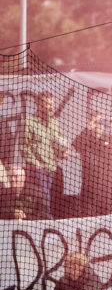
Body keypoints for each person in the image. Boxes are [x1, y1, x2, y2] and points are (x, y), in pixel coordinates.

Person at [73, 110, 112, 217]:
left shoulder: (111, 140)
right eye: (96, 122)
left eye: (101, 122)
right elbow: (76, 145)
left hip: (109, 191)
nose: (99, 125)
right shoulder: (86, 140)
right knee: (88, 220)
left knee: (108, 219)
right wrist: (88, 128)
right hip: (90, 191)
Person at [20, 92, 68, 220]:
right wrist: (36, 165)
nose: (50, 107)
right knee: (44, 196)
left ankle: (40, 219)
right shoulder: (29, 122)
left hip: (51, 166)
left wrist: (63, 152)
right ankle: (48, 220)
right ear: (38, 104)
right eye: (47, 104)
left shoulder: (54, 121)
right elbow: (23, 146)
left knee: (45, 196)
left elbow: (58, 140)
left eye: (51, 104)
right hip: (37, 168)